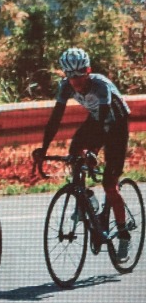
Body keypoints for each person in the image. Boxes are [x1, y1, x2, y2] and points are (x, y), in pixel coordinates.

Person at [32, 47, 132, 260]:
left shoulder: (100, 85)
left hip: (116, 124)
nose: (75, 80)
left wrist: (93, 151)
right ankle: (86, 197)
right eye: (70, 75)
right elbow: (55, 119)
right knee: (74, 152)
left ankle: (123, 233)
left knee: (110, 184)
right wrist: (43, 149)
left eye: (79, 74)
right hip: (96, 120)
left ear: (88, 70)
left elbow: (104, 123)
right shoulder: (65, 86)